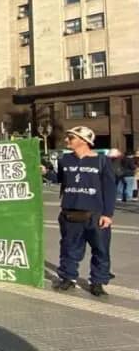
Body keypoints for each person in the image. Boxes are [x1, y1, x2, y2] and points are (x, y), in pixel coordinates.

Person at [55, 126, 115, 297]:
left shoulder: (102, 161)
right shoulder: (65, 159)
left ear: (83, 141)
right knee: (68, 248)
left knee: (101, 250)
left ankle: (97, 282)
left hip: (95, 214)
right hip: (70, 213)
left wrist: (107, 214)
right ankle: (68, 278)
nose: (66, 140)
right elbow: (60, 179)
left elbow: (109, 188)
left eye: (71, 138)